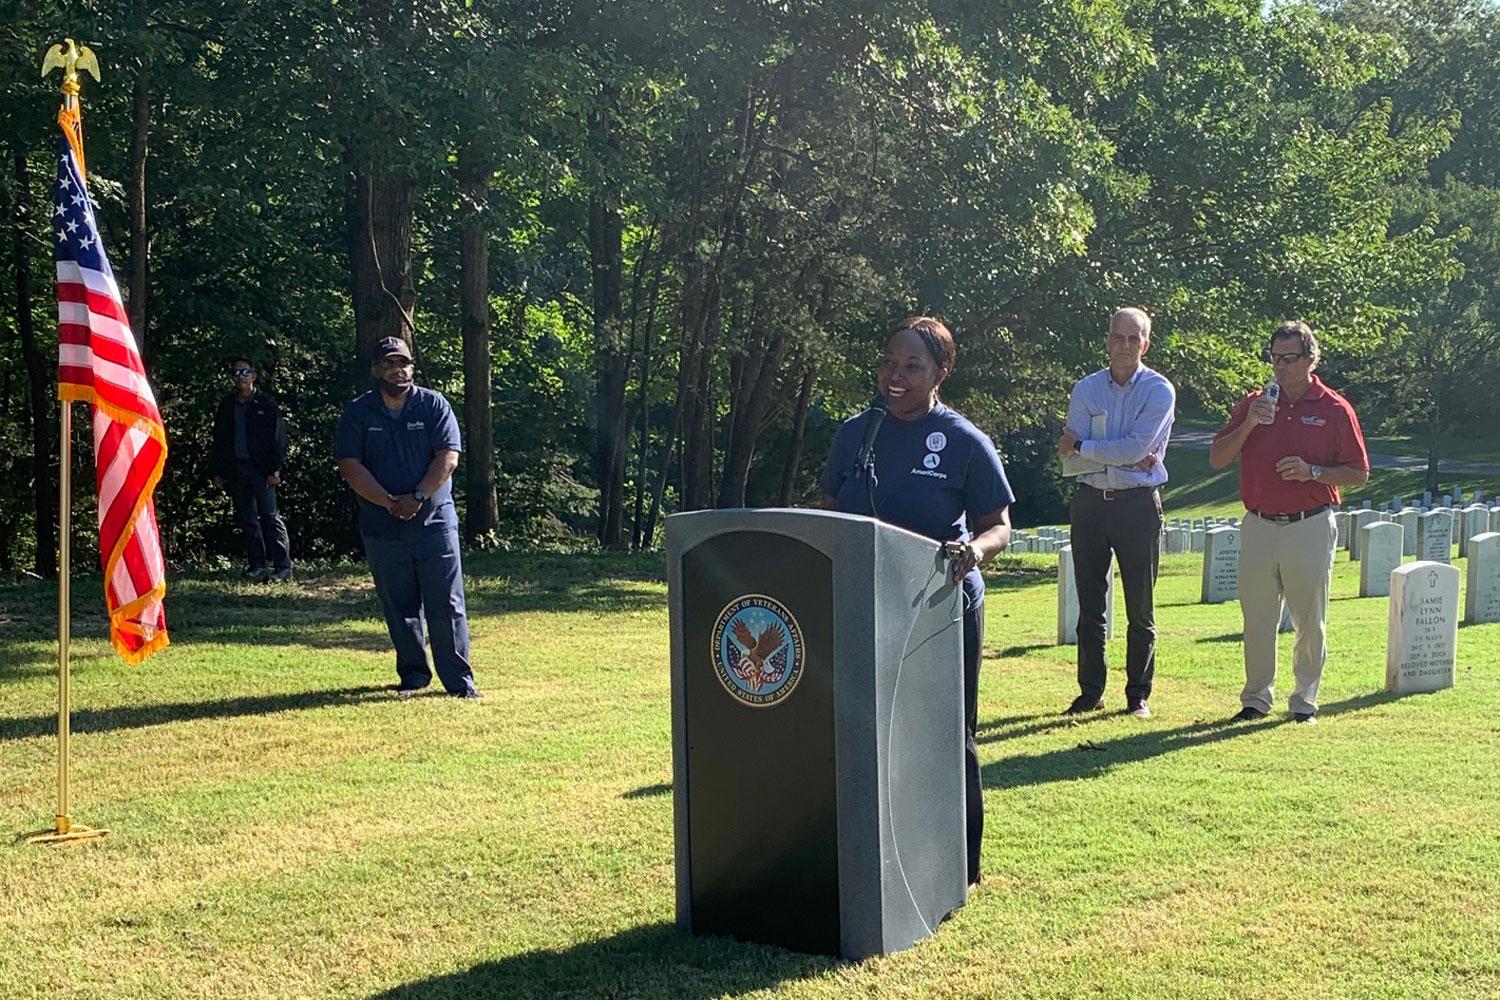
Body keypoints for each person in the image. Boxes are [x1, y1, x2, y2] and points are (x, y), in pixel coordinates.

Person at [820, 316, 1013, 889]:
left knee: (949, 732)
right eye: (888, 363)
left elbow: (998, 526)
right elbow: (830, 508)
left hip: (940, 605)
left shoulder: (962, 440)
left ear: (940, 372)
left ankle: (961, 863)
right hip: (863, 598)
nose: (895, 376)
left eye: (912, 366)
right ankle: (869, 852)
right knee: (862, 728)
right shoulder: (857, 433)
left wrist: (973, 552)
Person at [1209, 321, 1369, 724]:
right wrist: (1249, 424)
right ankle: (1255, 700)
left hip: (1308, 524)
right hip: (1259, 523)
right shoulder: (1255, 402)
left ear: (1311, 359)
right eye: (1275, 358)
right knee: (1257, 617)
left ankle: (1304, 702)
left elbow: (1358, 473)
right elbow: (1218, 458)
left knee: (1308, 619)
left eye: (1290, 358)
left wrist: (1313, 471)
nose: (1280, 367)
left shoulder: (1333, 408)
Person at [334, 337, 479, 699]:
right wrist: (387, 502)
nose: (398, 370)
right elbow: (351, 467)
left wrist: (416, 498)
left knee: (446, 603)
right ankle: (413, 677)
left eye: (404, 363)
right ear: (375, 370)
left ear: (412, 367)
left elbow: (448, 457)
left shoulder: (434, 405)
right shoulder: (358, 412)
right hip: (382, 527)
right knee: (399, 606)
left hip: (434, 523)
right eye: (389, 364)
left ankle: (459, 683)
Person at [1055, 307, 1175, 719]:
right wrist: (1121, 455)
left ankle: (1138, 694)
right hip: (1089, 503)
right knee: (1090, 607)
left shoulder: (1159, 391)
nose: (1124, 346)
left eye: (1133, 338)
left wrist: (1089, 448)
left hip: (1137, 506)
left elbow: (1127, 450)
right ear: (1107, 341)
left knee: (1140, 608)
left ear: (1145, 343)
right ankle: (1090, 692)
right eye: (1117, 337)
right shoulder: (1086, 389)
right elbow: (1075, 464)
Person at [211, 357, 293, 582]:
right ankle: (257, 564)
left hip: (262, 471)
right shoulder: (227, 405)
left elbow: (279, 439)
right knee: (247, 518)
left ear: (254, 376)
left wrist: (274, 470)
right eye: (236, 373)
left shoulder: (266, 405)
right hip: (236, 470)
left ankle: (282, 567)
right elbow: (219, 440)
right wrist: (218, 471)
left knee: (270, 516)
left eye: (245, 372)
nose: (241, 377)